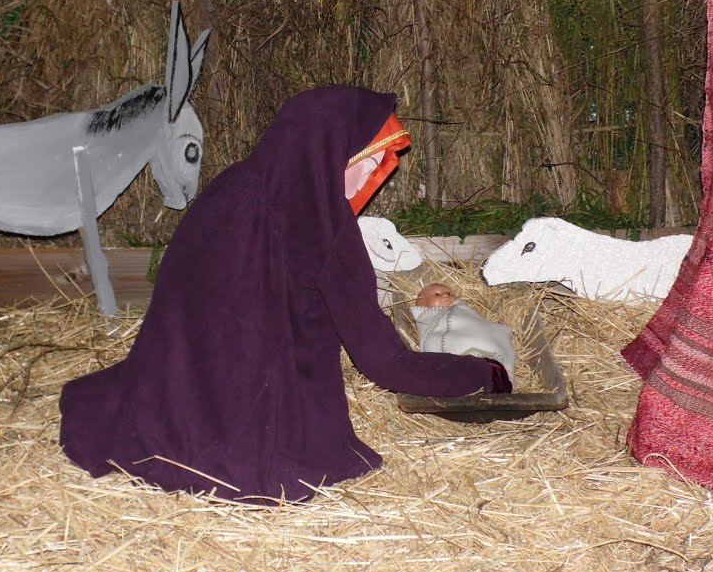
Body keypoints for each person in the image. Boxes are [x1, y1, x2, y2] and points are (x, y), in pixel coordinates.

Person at [60, 85, 510, 504]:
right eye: (366, 160)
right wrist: (480, 374)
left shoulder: (230, 187)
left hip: (171, 389)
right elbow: (385, 363)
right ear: (329, 156)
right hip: (257, 421)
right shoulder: (327, 231)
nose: (373, 175)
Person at [411, 283, 517, 376]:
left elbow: (477, 322)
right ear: (422, 302)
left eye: (449, 293)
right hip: (459, 350)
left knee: (492, 338)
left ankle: (498, 367)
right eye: (437, 294)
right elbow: (431, 340)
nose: (446, 296)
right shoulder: (429, 319)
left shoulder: (462, 309)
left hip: (479, 337)